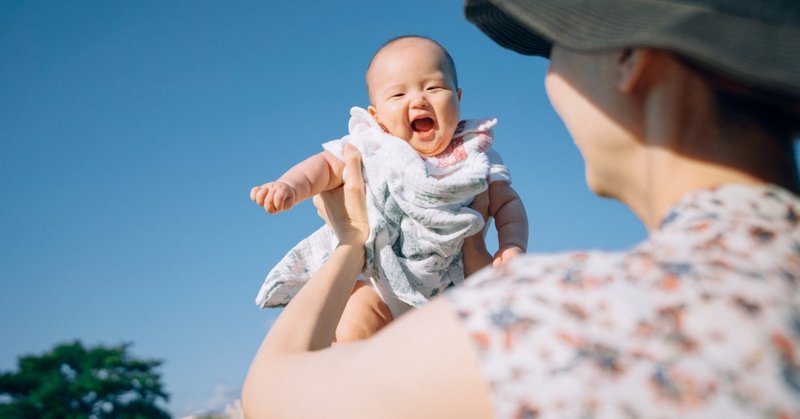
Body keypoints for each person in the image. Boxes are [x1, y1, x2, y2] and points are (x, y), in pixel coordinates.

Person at [242, 0, 800, 417]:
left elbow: (275, 398)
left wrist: (349, 244)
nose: (551, 80)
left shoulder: (561, 315)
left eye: (557, 50)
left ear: (631, 61)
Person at [249, 35, 528, 341]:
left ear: (458, 97)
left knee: (479, 338)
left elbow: (506, 203)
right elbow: (326, 166)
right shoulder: (373, 145)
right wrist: (290, 185)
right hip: (381, 283)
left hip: (452, 288)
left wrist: (511, 245)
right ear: (376, 116)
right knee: (356, 325)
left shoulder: (475, 154)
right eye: (398, 95)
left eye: (433, 87)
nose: (418, 100)